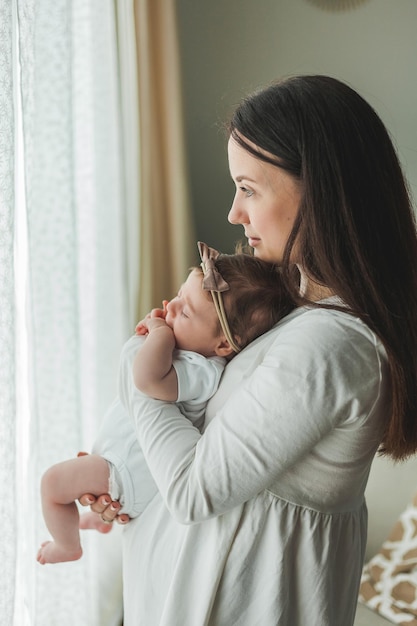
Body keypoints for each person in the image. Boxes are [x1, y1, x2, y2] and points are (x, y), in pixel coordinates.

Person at [81, 75, 417, 626]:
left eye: (249, 188)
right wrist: (123, 469)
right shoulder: (300, 312)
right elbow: (200, 437)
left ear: (321, 191)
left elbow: (193, 492)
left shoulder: (332, 346)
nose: (235, 212)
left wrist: (144, 379)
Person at [37, 241, 294, 565]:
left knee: (52, 483)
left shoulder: (203, 371)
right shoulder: (189, 355)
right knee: (72, 482)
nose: (170, 308)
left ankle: (66, 545)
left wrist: (157, 333)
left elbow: (146, 380)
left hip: (125, 471)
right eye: (177, 297)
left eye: (185, 311)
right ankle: (94, 522)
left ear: (224, 344)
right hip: (120, 460)